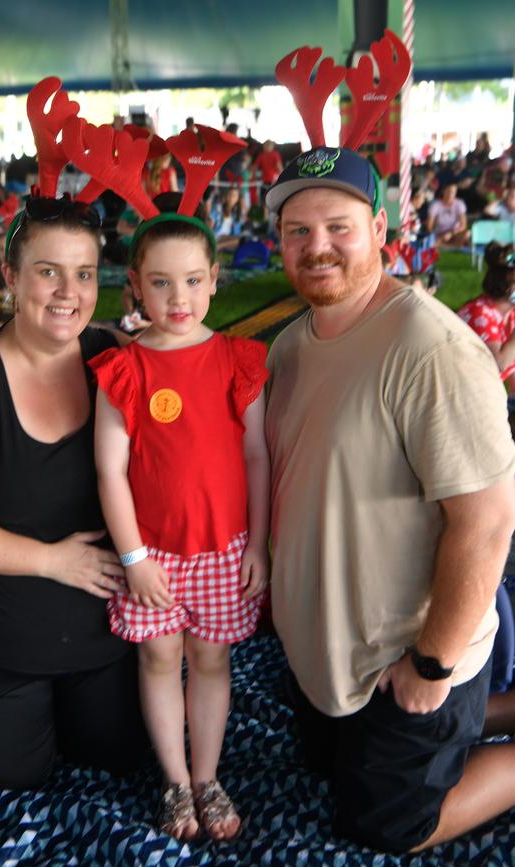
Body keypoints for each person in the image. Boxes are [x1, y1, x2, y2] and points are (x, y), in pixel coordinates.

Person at [264, 145, 515, 853]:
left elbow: (488, 522)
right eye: (298, 231)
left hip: (405, 655)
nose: (318, 247)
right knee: (323, 766)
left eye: (339, 227)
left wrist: (432, 666)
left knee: (392, 826)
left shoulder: (430, 348)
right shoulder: (289, 346)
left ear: (380, 229)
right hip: (325, 653)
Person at [0, 195, 149, 789]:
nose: (69, 292)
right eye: (48, 271)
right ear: (10, 276)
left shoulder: (115, 359)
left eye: (84, 274)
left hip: (103, 633)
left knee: (119, 762)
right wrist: (51, 560)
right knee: (12, 782)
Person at [89, 197, 270, 842]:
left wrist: (260, 544)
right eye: (160, 283)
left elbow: (256, 453)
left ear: (214, 279)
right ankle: (173, 779)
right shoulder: (124, 368)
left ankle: (207, 776)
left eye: (193, 280)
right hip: (154, 556)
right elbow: (110, 471)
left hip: (225, 549)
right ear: (134, 285)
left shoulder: (237, 360)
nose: (178, 297)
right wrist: (134, 557)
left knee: (212, 662)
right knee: (161, 660)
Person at [458, 241, 515, 391]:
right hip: (463, 394)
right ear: (511, 288)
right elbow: (498, 364)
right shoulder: (479, 312)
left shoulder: (509, 313)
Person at [426, 183, 470, 247]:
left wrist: (451, 234)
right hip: (439, 233)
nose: (451, 194)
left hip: (455, 233)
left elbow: (463, 225)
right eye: (449, 191)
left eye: (453, 192)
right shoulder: (435, 205)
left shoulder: (459, 204)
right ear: (443, 191)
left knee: (466, 234)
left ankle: (448, 246)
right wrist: (435, 235)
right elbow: (429, 225)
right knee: (433, 239)